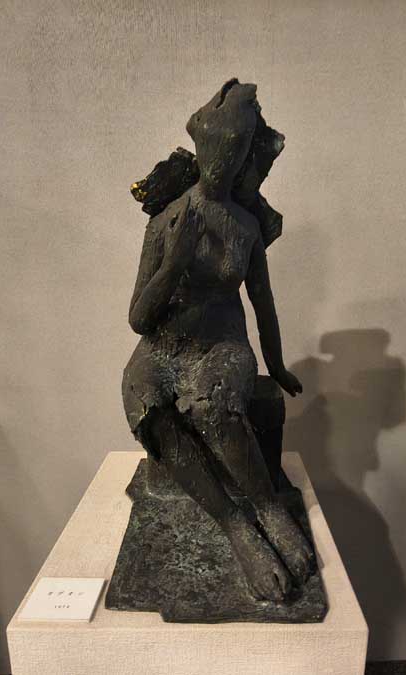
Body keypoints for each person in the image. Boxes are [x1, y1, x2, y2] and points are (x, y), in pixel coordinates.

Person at [122, 79, 314, 602]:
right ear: (203, 149)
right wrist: (174, 262)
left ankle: (269, 509)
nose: (223, 165)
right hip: (163, 349)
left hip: (221, 347)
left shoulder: (245, 227)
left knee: (211, 405)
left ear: (245, 158)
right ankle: (234, 525)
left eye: (236, 153)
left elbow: (264, 304)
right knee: (143, 402)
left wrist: (276, 364)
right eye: (216, 151)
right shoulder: (167, 222)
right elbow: (139, 319)